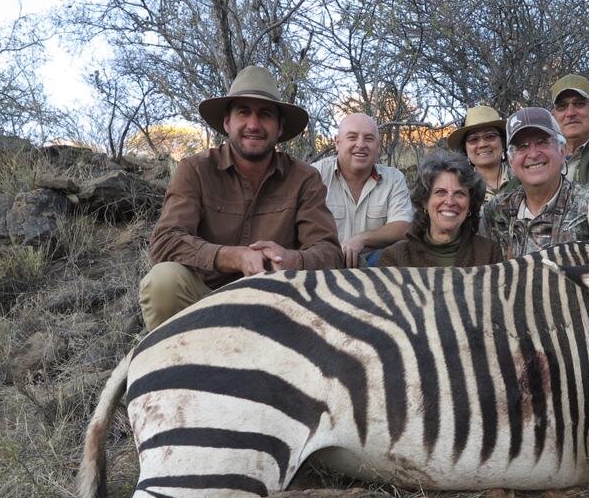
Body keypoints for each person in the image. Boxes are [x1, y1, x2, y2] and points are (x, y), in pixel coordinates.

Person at [140, 66, 342, 330]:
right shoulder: (194, 169)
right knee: (162, 282)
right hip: (203, 301)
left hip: (277, 303)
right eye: (243, 112)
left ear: (279, 127)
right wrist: (232, 256)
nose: (254, 124)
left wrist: (290, 261)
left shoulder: (305, 178)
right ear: (227, 123)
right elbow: (165, 241)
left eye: (265, 115)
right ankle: (170, 364)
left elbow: (329, 252)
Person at [483, 107, 589, 258]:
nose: (533, 154)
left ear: (562, 150)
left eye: (542, 142)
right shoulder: (496, 212)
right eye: (522, 147)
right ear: (511, 161)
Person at [313, 113, 413, 267]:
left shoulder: (393, 179)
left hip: (373, 266)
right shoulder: (315, 175)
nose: (361, 144)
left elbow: (403, 226)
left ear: (378, 146)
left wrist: (362, 239)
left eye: (369, 138)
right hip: (324, 265)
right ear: (337, 143)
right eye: (352, 137)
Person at [378, 150, 503, 267]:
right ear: (424, 201)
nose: (450, 202)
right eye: (440, 192)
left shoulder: (489, 253)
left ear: (470, 203)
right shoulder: (396, 258)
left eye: (460, 193)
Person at [446, 104, 511, 200]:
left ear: (503, 142)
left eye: (490, 136)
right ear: (465, 148)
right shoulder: (458, 188)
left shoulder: (523, 177)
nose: (482, 144)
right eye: (473, 139)